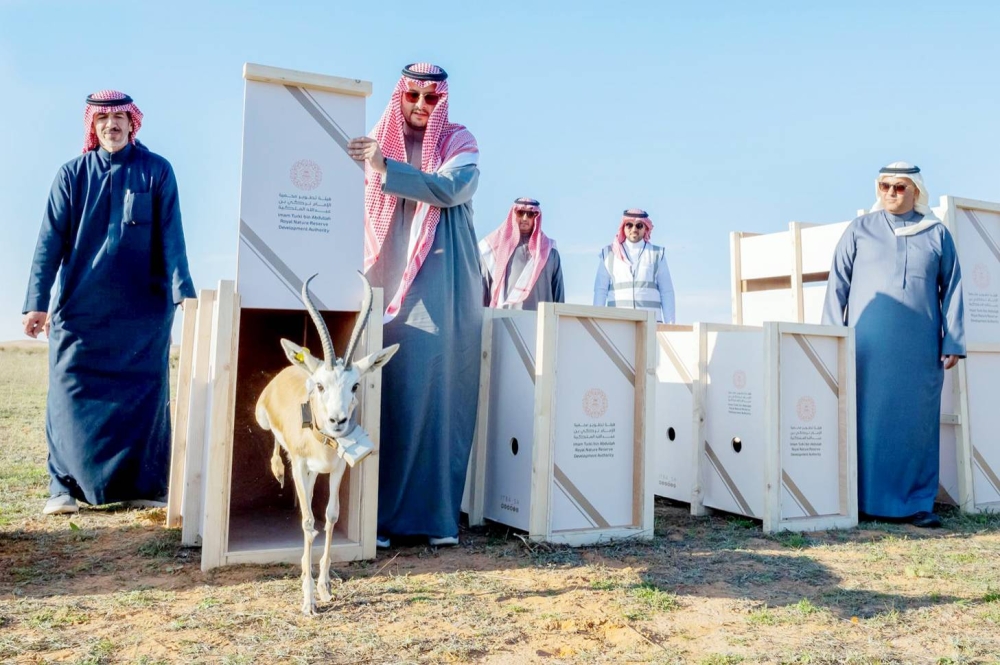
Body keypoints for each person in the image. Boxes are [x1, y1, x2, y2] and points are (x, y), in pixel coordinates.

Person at [22, 90, 195, 515]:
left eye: (120, 117)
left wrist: (185, 299)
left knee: (144, 401)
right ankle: (62, 489)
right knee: (67, 394)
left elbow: (173, 239)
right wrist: (36, 303)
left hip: (143, 316)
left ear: (133, 123)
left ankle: (145, 486)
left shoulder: (157, 172)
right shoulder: (71, 175)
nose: (111, 125)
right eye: (103, 119)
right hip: (81, 314)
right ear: (92, 125)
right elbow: (49, 243)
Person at [347, 63, 481, 547]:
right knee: (390, 393)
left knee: (438, 390)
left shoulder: (459, 143)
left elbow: (448, 190)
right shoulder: (374, 145)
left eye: (431, 99)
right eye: (412, 97)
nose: (421, 107)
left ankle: (435, 519)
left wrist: (386, 168)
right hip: (383, 280)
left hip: (442, 281)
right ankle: (377, 519)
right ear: (399, 96)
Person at [822, 162, 964, 528]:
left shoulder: (937, 233)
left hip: (919, 350)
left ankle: (917, 505)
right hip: (866, 350)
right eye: (885, 186)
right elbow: (837, 284)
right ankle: (863, 501)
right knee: (867, 423)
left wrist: (954, 341)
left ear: (916, 191)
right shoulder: (860, 229)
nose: (891, 193)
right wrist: (831, 338)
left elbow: (953, 288)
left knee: (916, 426)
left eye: (900, 187)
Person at [480, 197, 564, 309]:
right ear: (514, 214)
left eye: (530, 214)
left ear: (536, 216)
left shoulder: (550, 251)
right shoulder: (492, 248)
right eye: (520, 213)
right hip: (504, 321)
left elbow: (558, 293)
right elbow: (482, 291)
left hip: (541, 321)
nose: (525, 218)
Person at [593, 209, 676, 323]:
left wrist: (670, 326)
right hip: (618, 325)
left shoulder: (657, 254)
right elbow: (600, 290)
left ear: (645, 227)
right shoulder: (609, 253)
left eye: (639, 226)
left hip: (650, 326)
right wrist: (597, 321)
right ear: (623, 227)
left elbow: (666, 292)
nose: (634, 229)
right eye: (629, 225)